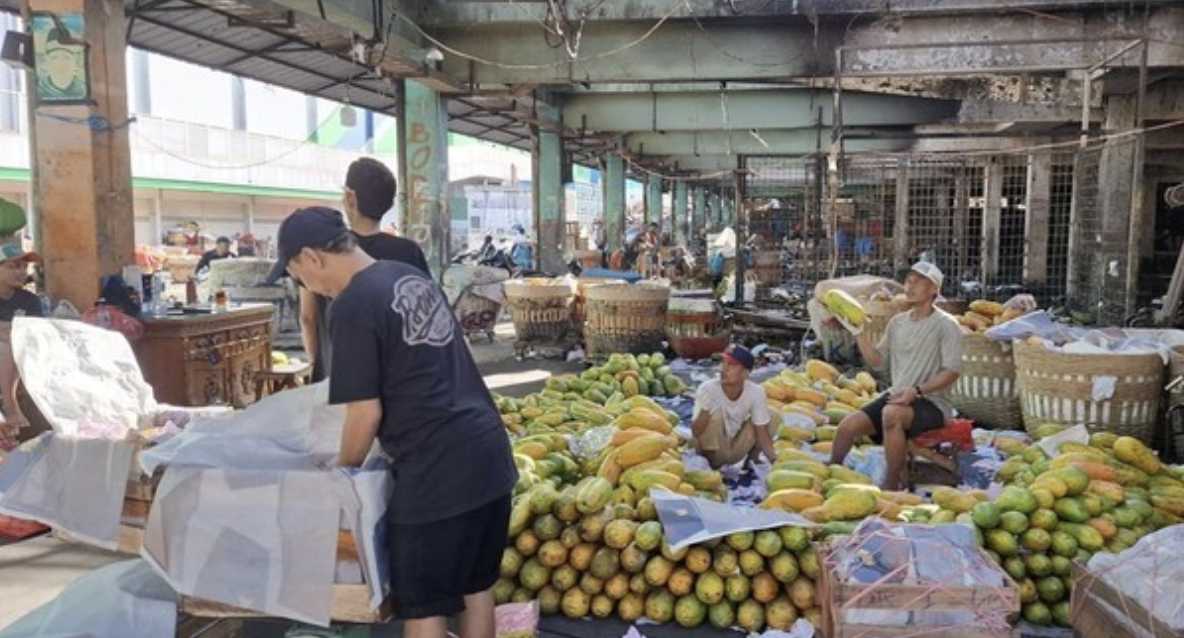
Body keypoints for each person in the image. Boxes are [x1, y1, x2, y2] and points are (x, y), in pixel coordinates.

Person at [266, 207, 516, 638]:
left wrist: (342, 473)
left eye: (296, 275)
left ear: (311, 257)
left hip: (437, 472)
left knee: (424, 606)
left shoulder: (352, 305)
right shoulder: (408, 275)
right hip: (489, 455)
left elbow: (366, 413)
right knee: (477, 589)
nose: (306, 286)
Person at [829, 262, 963, 490]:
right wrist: (858, 332)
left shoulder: (946, 325)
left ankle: (891, 484)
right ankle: (829, 474)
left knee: (891, 414)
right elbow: (877, 362)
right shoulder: (897, 323)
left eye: (918, 281)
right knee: (846, 428)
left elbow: (952, 371)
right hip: (898, 396)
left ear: (934, 289)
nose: (909, 286)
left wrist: (917, 391)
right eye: (908, 280)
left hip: (932, 402)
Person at [299, 157, 429, 383]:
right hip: (399, 381)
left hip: (338, 378)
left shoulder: (319, 251)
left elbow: (307, 318)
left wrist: (316, 364)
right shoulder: (409, 252)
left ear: (350, 197)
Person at [691, 345, 778, 468]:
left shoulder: (756, 392)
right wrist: (705, 411)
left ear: (745, 373)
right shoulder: (707, 389)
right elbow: (695, 432)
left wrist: (775, 460)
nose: (724, 369)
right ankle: (711, 467)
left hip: (734, 450)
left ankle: (752, 462)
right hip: (710, 452)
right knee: (714, 414)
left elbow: (761, 432)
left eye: (731, 365)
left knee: (772, 415)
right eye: (723, 363)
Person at [0, 239, 42, 449]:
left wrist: (10, 329)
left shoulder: (30, 300)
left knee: (14, 340)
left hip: (22, 358)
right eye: (13, 266)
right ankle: (10, 404)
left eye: (24, 266)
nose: (21, 271)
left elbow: (36, 333)